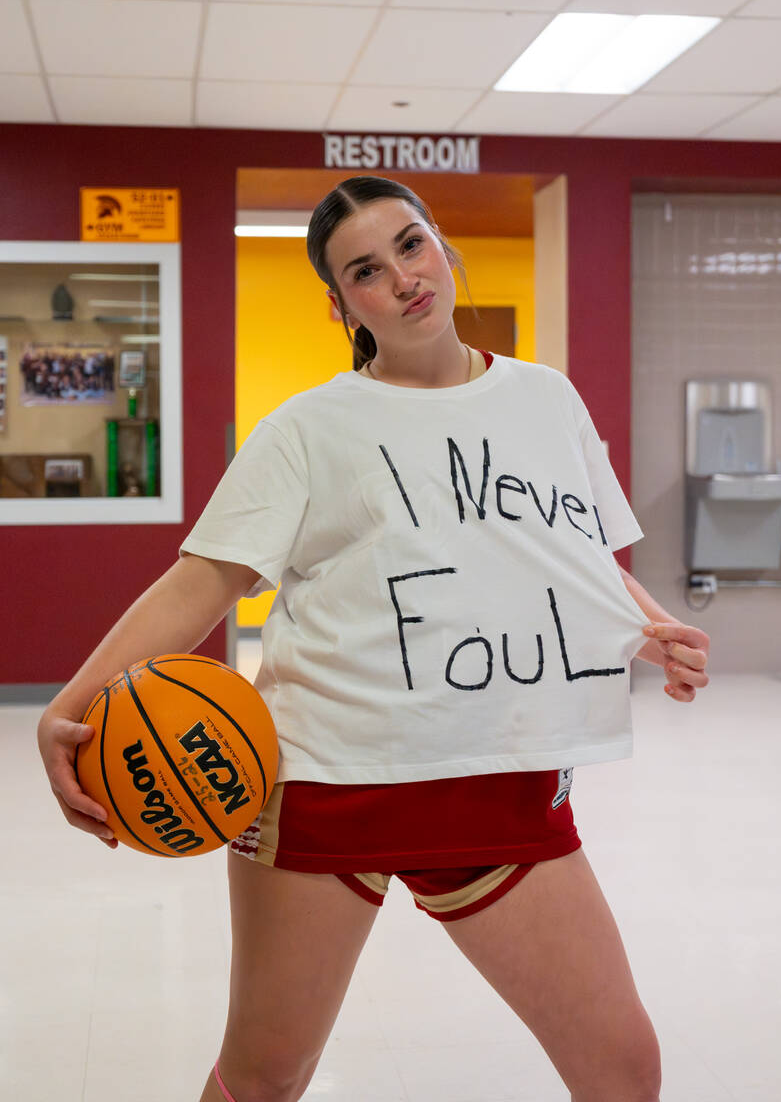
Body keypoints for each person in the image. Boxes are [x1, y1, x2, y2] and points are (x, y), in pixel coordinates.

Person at [38, 176, 710, 1102]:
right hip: (328, 788)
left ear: (444, 247)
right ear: (340, 302)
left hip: (500, 777)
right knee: (266, 1077)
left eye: (411, 244)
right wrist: (67, 711)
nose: (401, 277)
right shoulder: (310, 429)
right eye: (365, 268)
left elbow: (576, 557)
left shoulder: (547, 400)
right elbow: (202, 581)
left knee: (623, 1067)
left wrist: (652, 628)